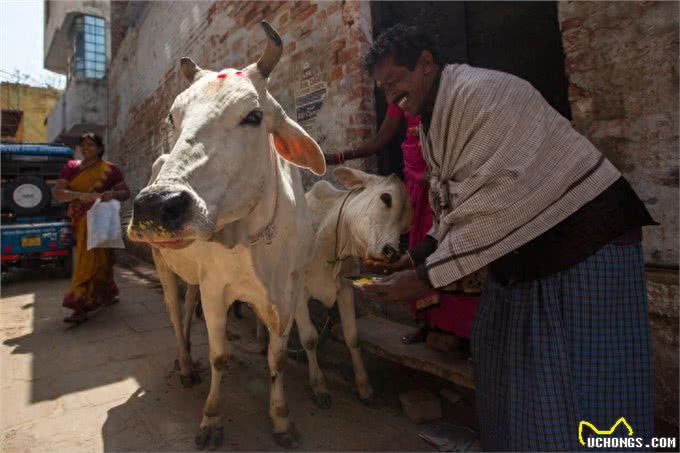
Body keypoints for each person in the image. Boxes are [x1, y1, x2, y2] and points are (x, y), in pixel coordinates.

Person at [360, 24, 656, 451]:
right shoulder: (433, 120)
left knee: (591, 379)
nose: (390, 97)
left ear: (426, 64)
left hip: (586, 244)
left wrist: (424, 279)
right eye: (382, 89)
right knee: (504, 356)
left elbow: (495, 203)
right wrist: (421, 253)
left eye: (394, 83)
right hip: (528, 255)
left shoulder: (483, 96)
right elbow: (454, 200)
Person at [326, 98, 480, 347]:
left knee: (449, 248)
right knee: (419, 249)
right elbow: (380, 139)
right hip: (415, 185)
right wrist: (339, 156)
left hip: (443, 181)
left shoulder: (440, 96)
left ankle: (465, 331)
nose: (392, 91)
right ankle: (427, 323)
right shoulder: (399, 100)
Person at [54, 133, 130, 323]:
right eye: (83, 145)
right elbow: (58, 193)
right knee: (85, 258)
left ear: (99, 148)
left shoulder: (110, 170)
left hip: (102, 220)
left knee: (104, 259)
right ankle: (79, 301)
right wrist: (79, 195)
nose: (86, 148)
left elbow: (125, 193)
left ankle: (104, 293)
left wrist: (112, 193)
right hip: (80, 220)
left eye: (90, 144)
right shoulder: (71, 168)